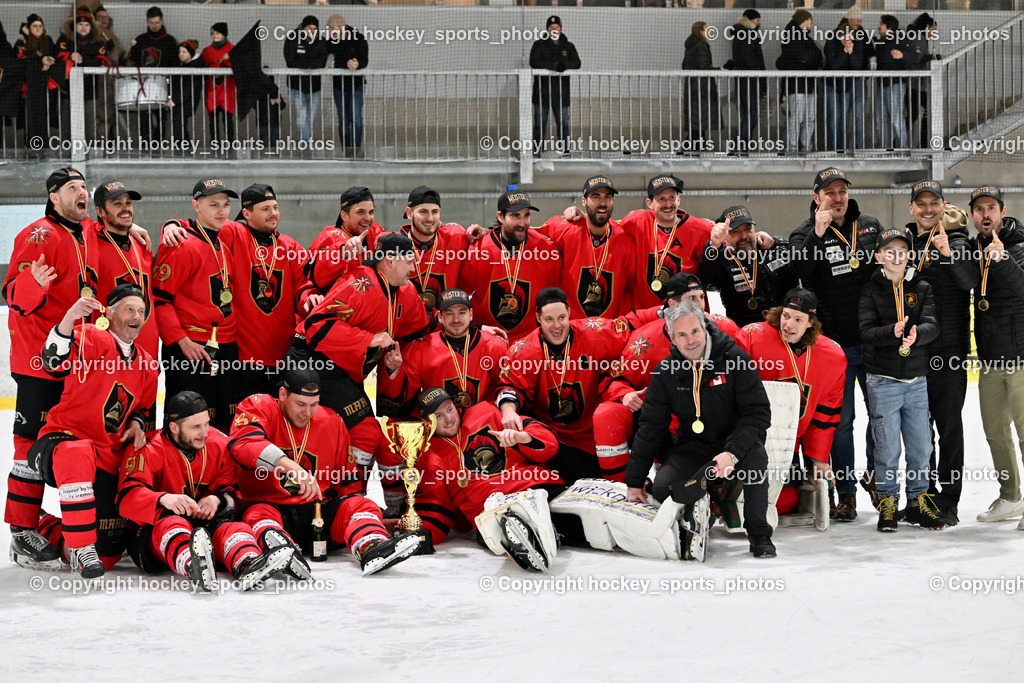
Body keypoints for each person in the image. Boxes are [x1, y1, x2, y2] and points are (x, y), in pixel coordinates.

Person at [229, 368, 421, 575]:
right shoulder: (259, 406)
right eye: (300, 404)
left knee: (361, 504)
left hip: (317, 515)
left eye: (314, 404)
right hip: (271, 507)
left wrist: (366, 519)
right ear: (283, 395)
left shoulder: (332, 421)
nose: (307, 412)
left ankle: (372, 546)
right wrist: (292, 467)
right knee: (258, 514)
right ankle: (280, 551)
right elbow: (243, 443)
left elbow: (348, 485)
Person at [625, 300, 776, 558]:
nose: (690, 340)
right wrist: (635, 482)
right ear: (672, 338)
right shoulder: (665, 372)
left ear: (705, 327)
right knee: (663, 488)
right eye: (681, 334)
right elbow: (650, 427)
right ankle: (705, 510)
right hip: (693, 447)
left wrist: (732, 452)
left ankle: (759, 532)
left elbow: (758, 413)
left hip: (734, 443)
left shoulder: (735, 359)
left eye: (695, 331)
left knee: (757, 459)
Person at [294, 232, 432, 510]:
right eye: (409, 260)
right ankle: (351, 501)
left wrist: (469, 327)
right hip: (312, 362)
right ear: (389, 261)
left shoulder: (403, 290)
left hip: (342, 371)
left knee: (375, 436)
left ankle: (391, 505)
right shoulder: (360, 282)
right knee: (366, 429)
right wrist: (368, 339)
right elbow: (315, 326)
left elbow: (425, 326)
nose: (413, 267)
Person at [3, 168, 99, 567]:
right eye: (72, 188)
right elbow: (13, 296)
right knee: (29, 447)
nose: (82, 193)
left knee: (73, 446)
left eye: (84, 188)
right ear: (53, 197)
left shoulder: (86, 232)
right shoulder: (39, 235)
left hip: (77, 364)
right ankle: (22, 531)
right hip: (40, 364)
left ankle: (77, 529)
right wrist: (33, 284)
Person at [28, 285, 157, 576]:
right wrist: (70, 317)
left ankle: (45, 526)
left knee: (109, 554)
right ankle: (82, 546)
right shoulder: (93, 338)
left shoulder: (148, 364)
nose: (137, 315)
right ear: (108, 313)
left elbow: (143, 407)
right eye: (129, 309)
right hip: (62, 440)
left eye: (141, 311)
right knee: (78, 451)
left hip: (105, 454)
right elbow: (53, 362)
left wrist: (136, 423)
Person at [118, 391, 296, 592]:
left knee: (234, 528)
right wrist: (163, 498)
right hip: (152, 534)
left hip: (202, 526)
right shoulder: (147, 448)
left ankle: (248, 564)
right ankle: (193, 565)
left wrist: (217, 500)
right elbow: (126, 499)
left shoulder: (219, 443)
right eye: (196, 427)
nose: (204, 432)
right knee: (172, 524)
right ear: (174, 427)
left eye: (206, 423)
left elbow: (234, 492)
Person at [788, 167, 882, 520]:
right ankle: (845, 492)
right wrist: (818, 234)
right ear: (817, 198)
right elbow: (797, 272)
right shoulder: (803, 233)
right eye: (830, 192)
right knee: (841, 423)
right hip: (833, 350)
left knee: (880, 416)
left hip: (873, 343)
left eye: (843, 191)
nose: (838, 197)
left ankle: (875, 476)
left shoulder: (869, 226)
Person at [161, 183, 311, 397]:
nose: (273, 213)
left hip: (282, 357)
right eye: (265, 209)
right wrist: (171, 225)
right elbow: (200, 226)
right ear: (246, 213)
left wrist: (309, 297)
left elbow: (306, 284)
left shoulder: (289, 246)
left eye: (275, 207)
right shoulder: (234, 233)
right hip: (242, 359)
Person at [593, 272, 742, 482]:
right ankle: (621, 486)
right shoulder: (645, 341)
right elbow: (614, 379)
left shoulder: (728, 330)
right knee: (608, 413)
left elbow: (753, 385)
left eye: (702, 297)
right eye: (692, 299)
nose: (700, 305)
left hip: (719, 427)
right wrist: (625, 394)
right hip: (667, 429)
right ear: (672, 304)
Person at [412, 388, 563, 572]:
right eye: (439, 416)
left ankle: (538, 531)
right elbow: (437, 509)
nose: (449, 419)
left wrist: (524, 438)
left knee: (576, 521)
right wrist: (410, 531)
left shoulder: (485, 411)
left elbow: (550, 444)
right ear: (425, 422)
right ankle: (533, 530)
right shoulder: (428, 457)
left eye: (450, 409)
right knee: (491, 527)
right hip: (490, 510)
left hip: (534, 487)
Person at [496, 287, 631, 486]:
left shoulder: (594, 332)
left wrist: (668, 311)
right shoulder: (523, 351)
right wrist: (509, 412)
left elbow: (633, 324)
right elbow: (510, 387)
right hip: (556, 445)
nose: (557, 325)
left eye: (561, 317)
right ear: (538, 318)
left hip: (597, 438)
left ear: (569, 313)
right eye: (549, 319)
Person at [738, 288, 846, 521]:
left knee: (786, 500)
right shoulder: (752, 336)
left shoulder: (832, 356)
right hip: (746, 440)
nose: (789, 324)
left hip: (787, 448)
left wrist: (818, 459)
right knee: (742, 498)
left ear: (811, 323)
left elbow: (825, 413)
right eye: (786, 316)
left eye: (798, 319)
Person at [858, 228, 942, 531]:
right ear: (879, 256)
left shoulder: (921, 286)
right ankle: (888, 502)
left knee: (921, 447)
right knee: (887, 448)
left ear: (909, 255)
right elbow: (866, 332)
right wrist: (890, 332)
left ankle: (919, 500)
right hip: (883, 381)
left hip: (916, 380)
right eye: (889, 251)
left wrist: (918, 336)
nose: (896, 256)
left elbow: (933, 324)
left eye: (902, 251)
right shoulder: (870, 290)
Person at [904, 181, 977, 525]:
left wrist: (949, 254)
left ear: (944, 205)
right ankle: (922, 495)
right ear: (912, 209)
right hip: (914, 352)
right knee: (920, 431)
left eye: (934, 202)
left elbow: (970, 282)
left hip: (948, 352)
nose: (928, 208)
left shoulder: (959, 241)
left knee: (948, 428)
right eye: (921, 203)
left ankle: (948, 500)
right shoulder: (905, 243)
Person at [153, 178, 243, 431]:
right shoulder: (181, 244)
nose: (222, 211)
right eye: (214, 204)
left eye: (225, 205)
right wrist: (181, 341)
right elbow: (159, 298)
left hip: (224, 346)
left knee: (223, 422)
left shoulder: (223, 246)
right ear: (196, 205)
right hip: (190, 347)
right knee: (186, 421)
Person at [967, 186, 1024, 527]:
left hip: (1021, 357)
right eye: (979, 209)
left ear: (1003, 211)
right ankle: (1011, 496)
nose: (985, 214)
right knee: (995, 433)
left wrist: (1002, 261)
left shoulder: (1019, 245)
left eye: (991, 207)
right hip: (989, 359)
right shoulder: (973, 248)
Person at [378, 289, 507, 417]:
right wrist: (393, 370)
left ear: (471, 314)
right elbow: (401, 396)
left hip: (482, 425)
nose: (456, 319)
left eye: (462, 313)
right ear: (440, 317)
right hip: (439, 427)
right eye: (449, 313)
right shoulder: (421, 349)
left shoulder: (494, 346)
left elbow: (506, 389)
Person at [462, 190, 561, 340]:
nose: (522, 223)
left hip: (529, 343)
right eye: (515, 216)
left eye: (526, 215)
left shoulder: (546, 249)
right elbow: (460, 295)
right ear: (500, 217)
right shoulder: (479, 250)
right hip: (487, 341)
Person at [538, 176, 636, 319]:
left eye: (607, 197)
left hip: (608, 331)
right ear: (584, 201)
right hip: (569, 329)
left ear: (613, 201)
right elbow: (526, 236)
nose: (602, 203)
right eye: (596, 197)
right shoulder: (564, 230)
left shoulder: (624, 239)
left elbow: (631, 288)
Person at [616, 175, 714, 310]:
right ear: (649, 203)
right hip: (646, 319)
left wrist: (755, 236)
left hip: (688, 319)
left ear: (678, 199)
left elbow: (735, 237)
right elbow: (604, 228)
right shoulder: (636, 222)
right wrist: (582, 216)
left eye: (672, 198)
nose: (668, 204)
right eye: (661, 199)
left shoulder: (702, 229)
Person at [92, 179, 159, 367]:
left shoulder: (142, 244)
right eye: (117, 203)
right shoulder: (90, 244)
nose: (125, 208)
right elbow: (74, 220)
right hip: (108, 350)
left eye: (128, 203)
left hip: (147, 350)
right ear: (100, 211)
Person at [698, 205, 795, 326]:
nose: (743, 236)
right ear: (725, 236)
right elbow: (707, 283)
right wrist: (713, 245)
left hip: (783, 329)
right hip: (745, 334)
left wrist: (777, 241)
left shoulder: (771, 248)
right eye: (735, 232)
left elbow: (801, 254)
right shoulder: (721, 259)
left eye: (748, 229)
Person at [302, 186, 383, 301]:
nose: (368, 218)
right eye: (360, 212)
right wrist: (342, 253)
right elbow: (314, 280)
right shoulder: (329, 237)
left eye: (371, 212)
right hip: (337, 311)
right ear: (344, 215)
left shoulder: (374, 230)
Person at [399, 186, 470, 309]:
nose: (430, 218)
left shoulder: (457, 237)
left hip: (446, 324)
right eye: (423, 211)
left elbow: (489, 239)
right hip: (406, 324)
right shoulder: (394, 245)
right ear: (409, 213)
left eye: (435, 212)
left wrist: (484, 231)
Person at [56, 8, 111, 145]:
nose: (83, 27)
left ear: (91, 27)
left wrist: (81, 59)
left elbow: (101, 61)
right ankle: (67, 158)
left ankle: (89, 159)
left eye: (87, 25)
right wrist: (70, 57)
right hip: (67, 92)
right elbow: (59, 56)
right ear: (74, 26)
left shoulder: (98, 42)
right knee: (67, 127)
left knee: (90, 127)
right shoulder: (64, 39)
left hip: (90, 92)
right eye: (80, 24)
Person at [529, 15, 581, 155]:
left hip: (561, 93)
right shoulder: (539, 45)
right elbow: (533, 62)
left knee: (563, 123)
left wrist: (564, 65)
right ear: (547, 29)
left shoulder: (568, 46)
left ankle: (565, 150)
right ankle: (537, 150)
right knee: (540, 123)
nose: (554, 29)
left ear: (561, 29)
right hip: (542, 92)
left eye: (557, 27)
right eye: (551, 27)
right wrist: (552, 66)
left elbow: (577, 63)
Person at [823, 8, 870, 152]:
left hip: (848, 84)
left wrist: (851, 51)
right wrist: (845, 52)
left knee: (844, 118)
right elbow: (833, 65)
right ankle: (836, 149)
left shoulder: (859, 40)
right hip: (833, 83)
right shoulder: (832, 40)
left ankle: (850, 149)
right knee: (834, 118)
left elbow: (857, 64)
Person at [777, 9, 822, 155]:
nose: (812, 23)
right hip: (796, 85)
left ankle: (805, 147)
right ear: (805, 20)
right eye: (810, 20)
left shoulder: (805, 38)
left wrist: (807, 60)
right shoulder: (790, 36)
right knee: (797, 117)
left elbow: (817, 57)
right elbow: (799, 56)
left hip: (807, 84)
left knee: (809, 118)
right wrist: (809, 59)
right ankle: (792, 149)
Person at [326, 14, 367, 158]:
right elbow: (329, 58)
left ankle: (356, 148)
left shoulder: (358, 38)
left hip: (355, 85)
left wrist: (357, 64)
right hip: (339, 86)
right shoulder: (331, 41)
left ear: (342, 27)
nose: (333, 31)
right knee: (343, 120)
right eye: (331, 29)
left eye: (335, 28)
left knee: (355, 118)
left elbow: (364, 59)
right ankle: (347, 150)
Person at [284, 15, 329, 145]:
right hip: (296, 86)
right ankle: (306, 145)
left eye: (315, 28)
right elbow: (290, 61)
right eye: (309, 27)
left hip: (314, 87)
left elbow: (321, 63)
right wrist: (310, 63)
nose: (312, 30)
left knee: (310, 119)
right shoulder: (292, 38)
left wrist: (303, 62)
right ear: (303, 28)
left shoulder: (321, 41)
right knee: (301, 118)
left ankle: (306, 145)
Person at [728, 9, 766, 151]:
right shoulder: (749, 35)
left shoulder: (739, 34)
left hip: (743, 81)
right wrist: (760, 78)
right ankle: (740, 145)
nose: (759, 23)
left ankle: (740, 146)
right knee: (752, 116)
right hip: (751, 81)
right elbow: (752, 60)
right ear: (750, 20)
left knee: (748, 115)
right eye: (757, 20)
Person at [906, 13, 941, 149]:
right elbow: (917, 59)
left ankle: (919, 142)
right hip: (915, 85)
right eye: (933, 30)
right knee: (928, 108)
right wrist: (936, 56)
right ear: (927, 27)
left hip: (915, 84)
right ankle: (922, 143)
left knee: (914, 114)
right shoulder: (917, 38)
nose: (933, 34)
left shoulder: (918, 37)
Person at [682, 22, 719, 150]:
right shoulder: (702, 46)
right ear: (701, 31)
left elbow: (685, 66)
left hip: (692, 87)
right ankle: (691, 148)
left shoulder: (689, 47)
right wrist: (720, 69)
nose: (709, 31)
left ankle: (693, 148)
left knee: (697, 122)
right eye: (707, 29)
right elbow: (704, 68)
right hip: (702, 88)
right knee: (701, 122)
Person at [875, 15, 910, 149]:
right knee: (881, 119)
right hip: (882, 84)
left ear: (889, 27)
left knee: (896, 118)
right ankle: (886, 149)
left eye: (881, 24)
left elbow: (913, 56)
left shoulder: (900, 39)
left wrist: (902, 55)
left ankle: (903, 148)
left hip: (895, 84)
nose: (878, 26)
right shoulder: (881, 41)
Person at [202, 22, 235, 145]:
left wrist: (227, 61)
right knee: (213, 121)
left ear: (224, 34)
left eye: (218, 33)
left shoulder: (232, 49)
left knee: (228, 120)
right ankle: (215, 146)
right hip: (212, 92)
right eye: (213, 33)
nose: (215, 35)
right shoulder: (207, 51)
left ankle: (230, 146)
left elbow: (239, 67)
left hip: (227, 91)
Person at [167, 39, 203, 149]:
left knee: (178, 127)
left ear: (191, 53)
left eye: (184, 52)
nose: (181, 54)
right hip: (179, 101)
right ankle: (186, 151)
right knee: (180, 128)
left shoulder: (195, 67)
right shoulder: (180, 64)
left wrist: (173, 101)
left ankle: (181, 151)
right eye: (180, 51)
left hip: (185, 102)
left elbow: (188, 90)